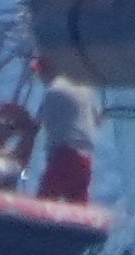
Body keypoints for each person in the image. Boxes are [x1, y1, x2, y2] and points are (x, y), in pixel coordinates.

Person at [32, 77, 100, 205]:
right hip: (85, 158)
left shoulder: (53, 91)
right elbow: (97, 120)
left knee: (44, 202)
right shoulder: (86, 90)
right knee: (78, 204)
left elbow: (35, 124)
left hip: (63, 155)